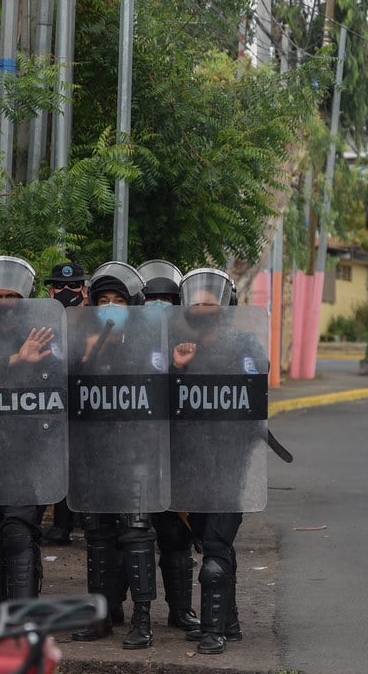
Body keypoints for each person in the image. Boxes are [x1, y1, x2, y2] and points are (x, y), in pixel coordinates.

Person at [170, 267, 267, 655]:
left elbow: (258, 379)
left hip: (231, 461)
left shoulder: (244, 344)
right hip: (192, 462)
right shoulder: (178, 347)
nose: (203, 308)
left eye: (211, 302)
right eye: (196, 302)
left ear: (226, 306)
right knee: (209, 540)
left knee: (215, 543)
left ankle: (213, 631)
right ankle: (230, 620)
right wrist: (177, 369)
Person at [70, 262, 160, 650]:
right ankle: (101, 614)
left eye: (118, 301)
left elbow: (158, 384)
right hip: (95, 454)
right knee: (98, 535)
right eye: (103, 300)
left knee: (137, 533)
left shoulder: (148, 342)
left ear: (132, 305)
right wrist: (86, 356)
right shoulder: (81, 342)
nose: (110, 307)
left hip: (136, 454)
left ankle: (142, 620)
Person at [0, 256, 57, 612]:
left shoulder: (45, 333)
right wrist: (14, 363)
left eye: (10, 296)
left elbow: (57, 378)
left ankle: (22, 613)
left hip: (26, 449)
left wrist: (2, 373)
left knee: (18, 529)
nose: (2, 302)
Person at [137, 259, 199, 634]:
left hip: (179, 451)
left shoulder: (191, 337)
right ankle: (129, 614)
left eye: (167, 298)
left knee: (177, 535)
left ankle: (181, 611)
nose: (159, 304)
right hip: (137, 450)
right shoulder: (126, 337)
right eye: (152, 298)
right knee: (135, 533)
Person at [41, 262, 89, 547]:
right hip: (57, 403)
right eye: (60, 285)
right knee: (60, 462)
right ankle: (62, 525)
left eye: (73, 286)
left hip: (91, 402)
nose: (67, 290)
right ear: (51, 291)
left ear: (84, 290)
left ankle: (90, 518)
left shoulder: (95, 321)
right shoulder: (44, 324)